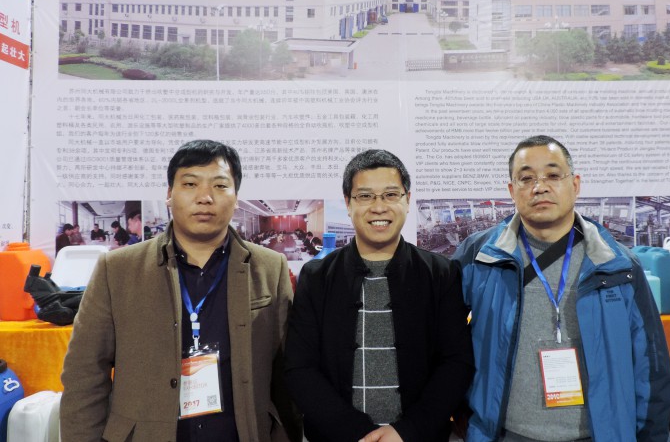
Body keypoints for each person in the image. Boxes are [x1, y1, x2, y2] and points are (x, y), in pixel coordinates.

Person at [61, 139, 301, 442]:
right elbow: (85, 375)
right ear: (169, 195)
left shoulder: (269, 267)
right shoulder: (118, 269)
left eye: (219, 186)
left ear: (236, 198)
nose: (205, 197)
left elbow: (287, 373)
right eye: (190, 184)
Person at [453, 136, 670, 442]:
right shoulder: (480, 256)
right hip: (505, 434)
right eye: (526, 178)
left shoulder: (617, 265)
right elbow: (443, 339)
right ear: (512, 190)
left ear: (575, 184)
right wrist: (462, 411)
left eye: (553, 175)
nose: (539, 187)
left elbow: (651, 365)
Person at [285, 149, 474, 442]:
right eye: (365, 196)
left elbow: (456, 362)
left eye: (390, 195)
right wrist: (356, 432)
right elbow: (300, 368)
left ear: (407, 200)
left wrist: (407, 431)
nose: (378, 207)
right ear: (348, 203)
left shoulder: (440, 273)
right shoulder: (317, 276)